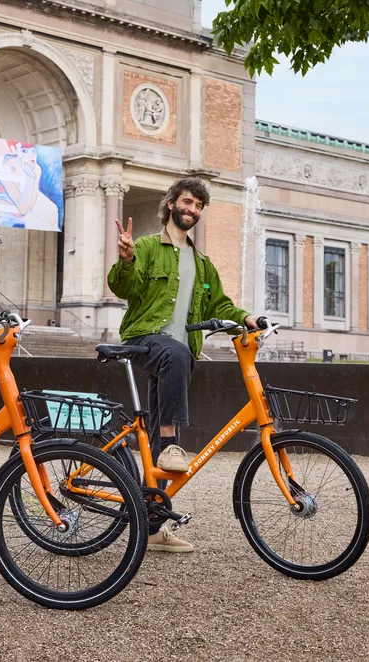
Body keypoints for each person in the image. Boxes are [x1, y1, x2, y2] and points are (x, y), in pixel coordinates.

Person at [107, 177, 261, 553]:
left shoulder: (203, 264)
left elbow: (219, 305)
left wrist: (246, 319)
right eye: (188, 202)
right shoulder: (145, 246)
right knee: (175, 366)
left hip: (178, 356)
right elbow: (124, 287)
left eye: (198, 206)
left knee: (159, 433)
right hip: (145, 339)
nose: (192, 210)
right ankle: (173, 445)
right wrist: (126, 260)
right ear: (172, 204)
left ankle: (155, 527)